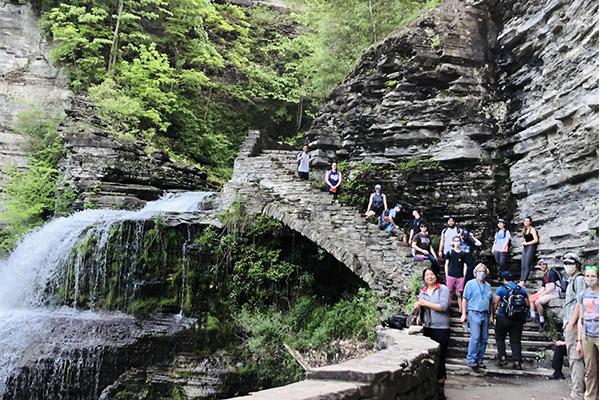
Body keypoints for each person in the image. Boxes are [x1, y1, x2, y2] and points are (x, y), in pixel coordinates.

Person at [414, 267, 450, 400]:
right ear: (424, 278)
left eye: (432, 274)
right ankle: (430, 387)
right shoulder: (422, 292)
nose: (430, 277)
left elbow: (443, 307)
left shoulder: (443, 289)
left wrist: (425, 303)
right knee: (429, 359)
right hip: (427, 327)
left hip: (441, 328)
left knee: (440, 358)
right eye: (427, 275)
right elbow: (422, 308)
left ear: (436, 276)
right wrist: (418, 306)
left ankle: (440, 390)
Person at [562, 252, 586, 400]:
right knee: (574, 359)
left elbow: (581, 303)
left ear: (577, 264)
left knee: (576, 358)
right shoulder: (572, 280)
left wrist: (571, 322)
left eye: (570, 263)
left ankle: (577, 394)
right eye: (565, 263)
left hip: (575, 325)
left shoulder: (579, 280)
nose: (567, 266)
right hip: (569, 324)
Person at [493, 270, 529, 370]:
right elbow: (527, 304)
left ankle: (502, 358)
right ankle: (517, 361)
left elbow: (495, 303)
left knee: (500, 338)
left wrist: (492, 315)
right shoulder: (521, 289)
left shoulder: (500, 289)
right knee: (515, 341)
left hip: (503, 318)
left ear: (503, 279)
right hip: (517, 320)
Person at [460, 263, 493, 370]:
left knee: (484, 339)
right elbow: (465, 299)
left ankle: (480, 360)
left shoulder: (488, 286)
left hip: (485, 314)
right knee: (475, 337)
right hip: (474, 312)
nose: (481, 273)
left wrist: (492, 315)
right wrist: (464, 313)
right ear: (475, 273)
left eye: (483, 271)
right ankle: (471, 359)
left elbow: (491, 302)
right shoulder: (470, 284)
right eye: (479, 271)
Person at [576, 265, 599, 400]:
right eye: (587, 276)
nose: (590, 279)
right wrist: (579, 341)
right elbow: (581, 318)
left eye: (593, 276)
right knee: (590, 369)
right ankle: (590, 396)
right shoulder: (582, 295)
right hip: (587, 334)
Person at [528, 260, 560, 330]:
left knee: (537, 302)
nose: (542, 266)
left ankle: (541, 319)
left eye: (544, 264)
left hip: (554, 293)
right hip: (548, 293)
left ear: (547, 265)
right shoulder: (545, 275)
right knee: (531, 297)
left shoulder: (550, 273)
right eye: (540, 264)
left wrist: (542, 294)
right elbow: (543, 288)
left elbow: (552, 287)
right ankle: (532, 316)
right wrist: (537, 294)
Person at [444, 236, 467, 314]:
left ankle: (461, 309)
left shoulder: (463, 253)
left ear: (460, 242)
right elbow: (446, 264)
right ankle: (448, 309)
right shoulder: (450, 252)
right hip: (451, 275)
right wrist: (447, 274)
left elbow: (465, 265)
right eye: (455, 241)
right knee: (449, 293)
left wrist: (464, 275)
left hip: (460, 276)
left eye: (458, 241)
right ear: (453, 242)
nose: (457, 243)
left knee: (459, 294)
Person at [519, 216, 539, 286]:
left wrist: (527, 243)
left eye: (527, 221)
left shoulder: (532, 229)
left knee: (527, 265)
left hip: (531, 247)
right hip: (525, 247)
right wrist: (524, 242)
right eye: (525, 221)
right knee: (523, 265)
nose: (526, 222)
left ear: (530, 222)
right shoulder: (524, 229)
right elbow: (526, 238)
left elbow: (536, 240)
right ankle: (521, 280)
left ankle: (523, 281)